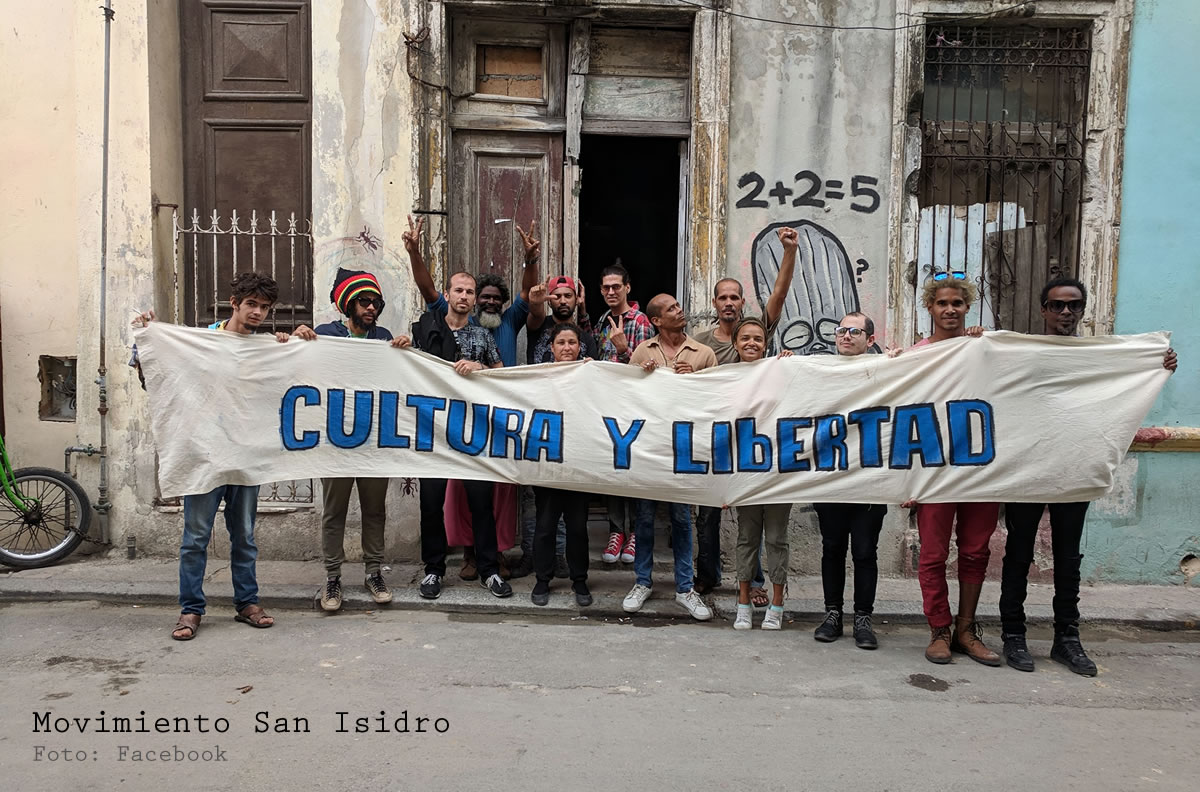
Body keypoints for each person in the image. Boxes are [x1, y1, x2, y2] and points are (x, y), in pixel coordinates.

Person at [998, 277, 1179, 675]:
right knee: (1019, 554)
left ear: (1083, 310)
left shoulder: (1099, 355)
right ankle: (1014, 635)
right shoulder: (1022, 352)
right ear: (1043, 309)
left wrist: (1155, 364)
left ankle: (1067, 639)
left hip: (1073, 468)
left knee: (1067, 558)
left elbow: (1129, 379)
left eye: (1074, 306)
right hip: (1027, 468)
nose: (1065, 313)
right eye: (1057, 305)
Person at [133, 272, 291, 640]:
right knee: (196, 537)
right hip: (204, 454)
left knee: (245, 535)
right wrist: (149, 339)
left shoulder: (265, 347)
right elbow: (155, 378)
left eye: (264, 307)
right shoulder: (200, 342)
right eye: (251, 304)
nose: (257, 313)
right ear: (234, 303)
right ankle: (190, 609)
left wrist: (295, 344)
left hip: (245, 454)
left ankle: (247, 603)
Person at [405, 216, 537, 579]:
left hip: (478, 429)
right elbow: (424, 286)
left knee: (483, 501)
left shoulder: (485, 336)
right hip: (434, 429)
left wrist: (481, 371)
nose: (465, 297)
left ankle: (488, 567)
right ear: (449, 295)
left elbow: (497, 373)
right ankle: (435, 568)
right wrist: (415, 252)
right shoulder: (428, 326)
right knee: (434, 503)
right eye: (459, 291)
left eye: (470, 292)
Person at [691, 226, 799, 598]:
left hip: (755, 440)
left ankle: (753, 584)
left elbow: (780, 294)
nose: (729, 303)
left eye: (735, 297)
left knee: (751, 517)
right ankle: (706, 576)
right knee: (707, 512)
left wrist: (789, 252)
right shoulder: (700, 341)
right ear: (715, 302)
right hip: (716, 438)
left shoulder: (755, 331)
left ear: (742, 303)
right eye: (723, 297)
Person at [291, 269, 406, 612]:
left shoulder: (383, 336)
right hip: (335, 441)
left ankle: (374, 572)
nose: (372, 307)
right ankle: (332, 577)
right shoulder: (325, 335)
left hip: (373, 441)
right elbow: (297, 367)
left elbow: (404, 378)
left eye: (376, 302)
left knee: (374, 510)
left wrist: (406, 352)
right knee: (334, 511)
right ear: (347, 304)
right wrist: (298, 340)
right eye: (364, 301)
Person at [900, 274, 999, 666]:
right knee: (934, 554)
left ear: (967, 307)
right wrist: (906, 478)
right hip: (934, 468)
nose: (950, 310)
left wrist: (987, 345)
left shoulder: (983, 349)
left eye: (957, 303)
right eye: (942, 303)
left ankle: (966, 628)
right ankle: (938, 628)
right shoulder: (915, 357)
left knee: (976, 551)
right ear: (930, 307)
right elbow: (897, 416)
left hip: (979, 467)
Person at [622, 294, 718, 621]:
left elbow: (717, 398)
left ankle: (684, 588)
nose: (681, 311)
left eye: (679, 306)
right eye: (672, 309)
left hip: (685, 451)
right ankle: (642, 582)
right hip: (649, 449)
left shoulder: (703, 353)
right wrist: (642, 375)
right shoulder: (642, 352)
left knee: (681, 520)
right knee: (645, 519)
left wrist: (696, 380)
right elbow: (625, 397)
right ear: (657, 321)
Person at [509, 275, 599, 580]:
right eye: (556, 296)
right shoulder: (539, 327)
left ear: (576, 301)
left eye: (568, 296)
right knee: (536, 502)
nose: (562, 301)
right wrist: (534, 286)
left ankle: (559, 559)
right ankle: (530, 556)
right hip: (538, 428)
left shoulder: (586, 339)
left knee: (566, 506)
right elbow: (534, 312)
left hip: (573, 432)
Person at [811, 312, 888, 649]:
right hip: (832, 476)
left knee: (864, 551)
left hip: (871, 477)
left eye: (854, 331)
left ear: (870, 339)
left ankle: (863, 619)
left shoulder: (887, 371)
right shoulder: (821, 371)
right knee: (832, 548)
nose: (845, 336)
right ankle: (832, 615)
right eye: (841, 330)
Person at [726, 317, 795, 631]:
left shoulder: (780, 372)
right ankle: (743, 604)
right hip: (746, 471)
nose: (752, 343)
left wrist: (794, 367)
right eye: (745, 339)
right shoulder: (725, 377)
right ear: (735, 344)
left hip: (779, 471)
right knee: (746, 539)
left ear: (766, 343)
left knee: (778, 540)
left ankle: (777, 604)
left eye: (758, 338)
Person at [594, 264, 656, 567]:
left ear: (627, 288)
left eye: (616, 286)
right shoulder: (602, 320)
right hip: (609, 406)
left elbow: (644, 368)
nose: (610, 292)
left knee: (635, 471)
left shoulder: (640, 321)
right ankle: (616, 530)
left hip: (635, 407)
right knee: (613, 472)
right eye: (605, 287)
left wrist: (622, 348)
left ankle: (636, 534)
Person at [530, 323, 595, 608]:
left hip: (579, 463)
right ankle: (542, 580)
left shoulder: (592, 374)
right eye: (561, 343)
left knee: (578, 527)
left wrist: (599, 374)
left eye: (572, 342)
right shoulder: (538, 376)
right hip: (547, 463)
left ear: (580, 346)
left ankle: (579, 580)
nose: (567, 348)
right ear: (552, 348)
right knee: (545, 526)